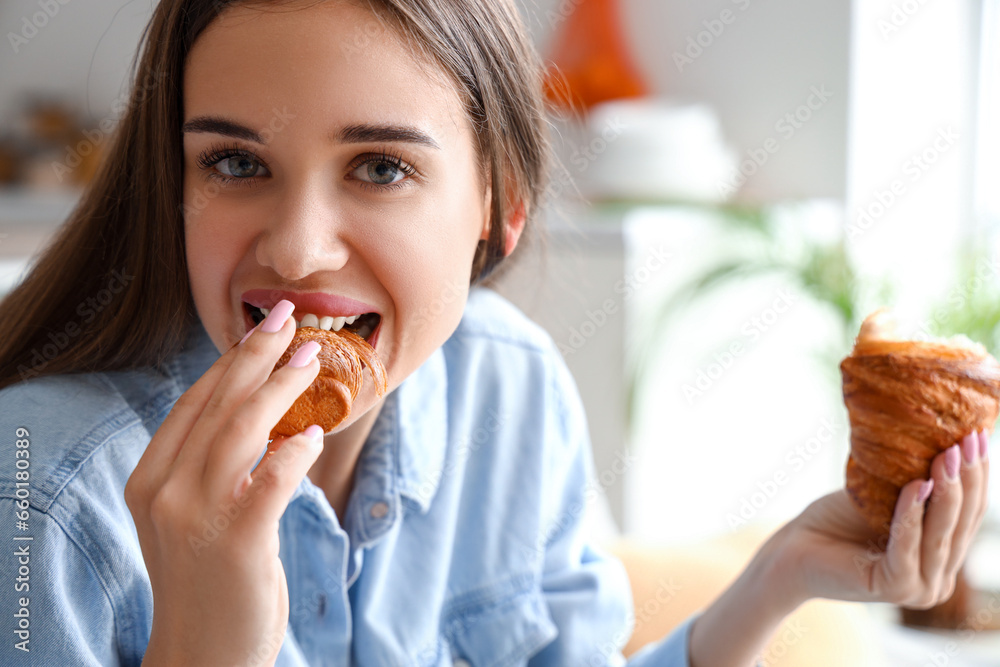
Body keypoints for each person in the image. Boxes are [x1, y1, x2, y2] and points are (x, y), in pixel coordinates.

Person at [0, 0, 989, 665]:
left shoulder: (505, 385)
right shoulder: (39, 490)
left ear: (499, 204)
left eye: (379, 167)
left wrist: (779, 576)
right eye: (233, 163)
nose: (297, 251)